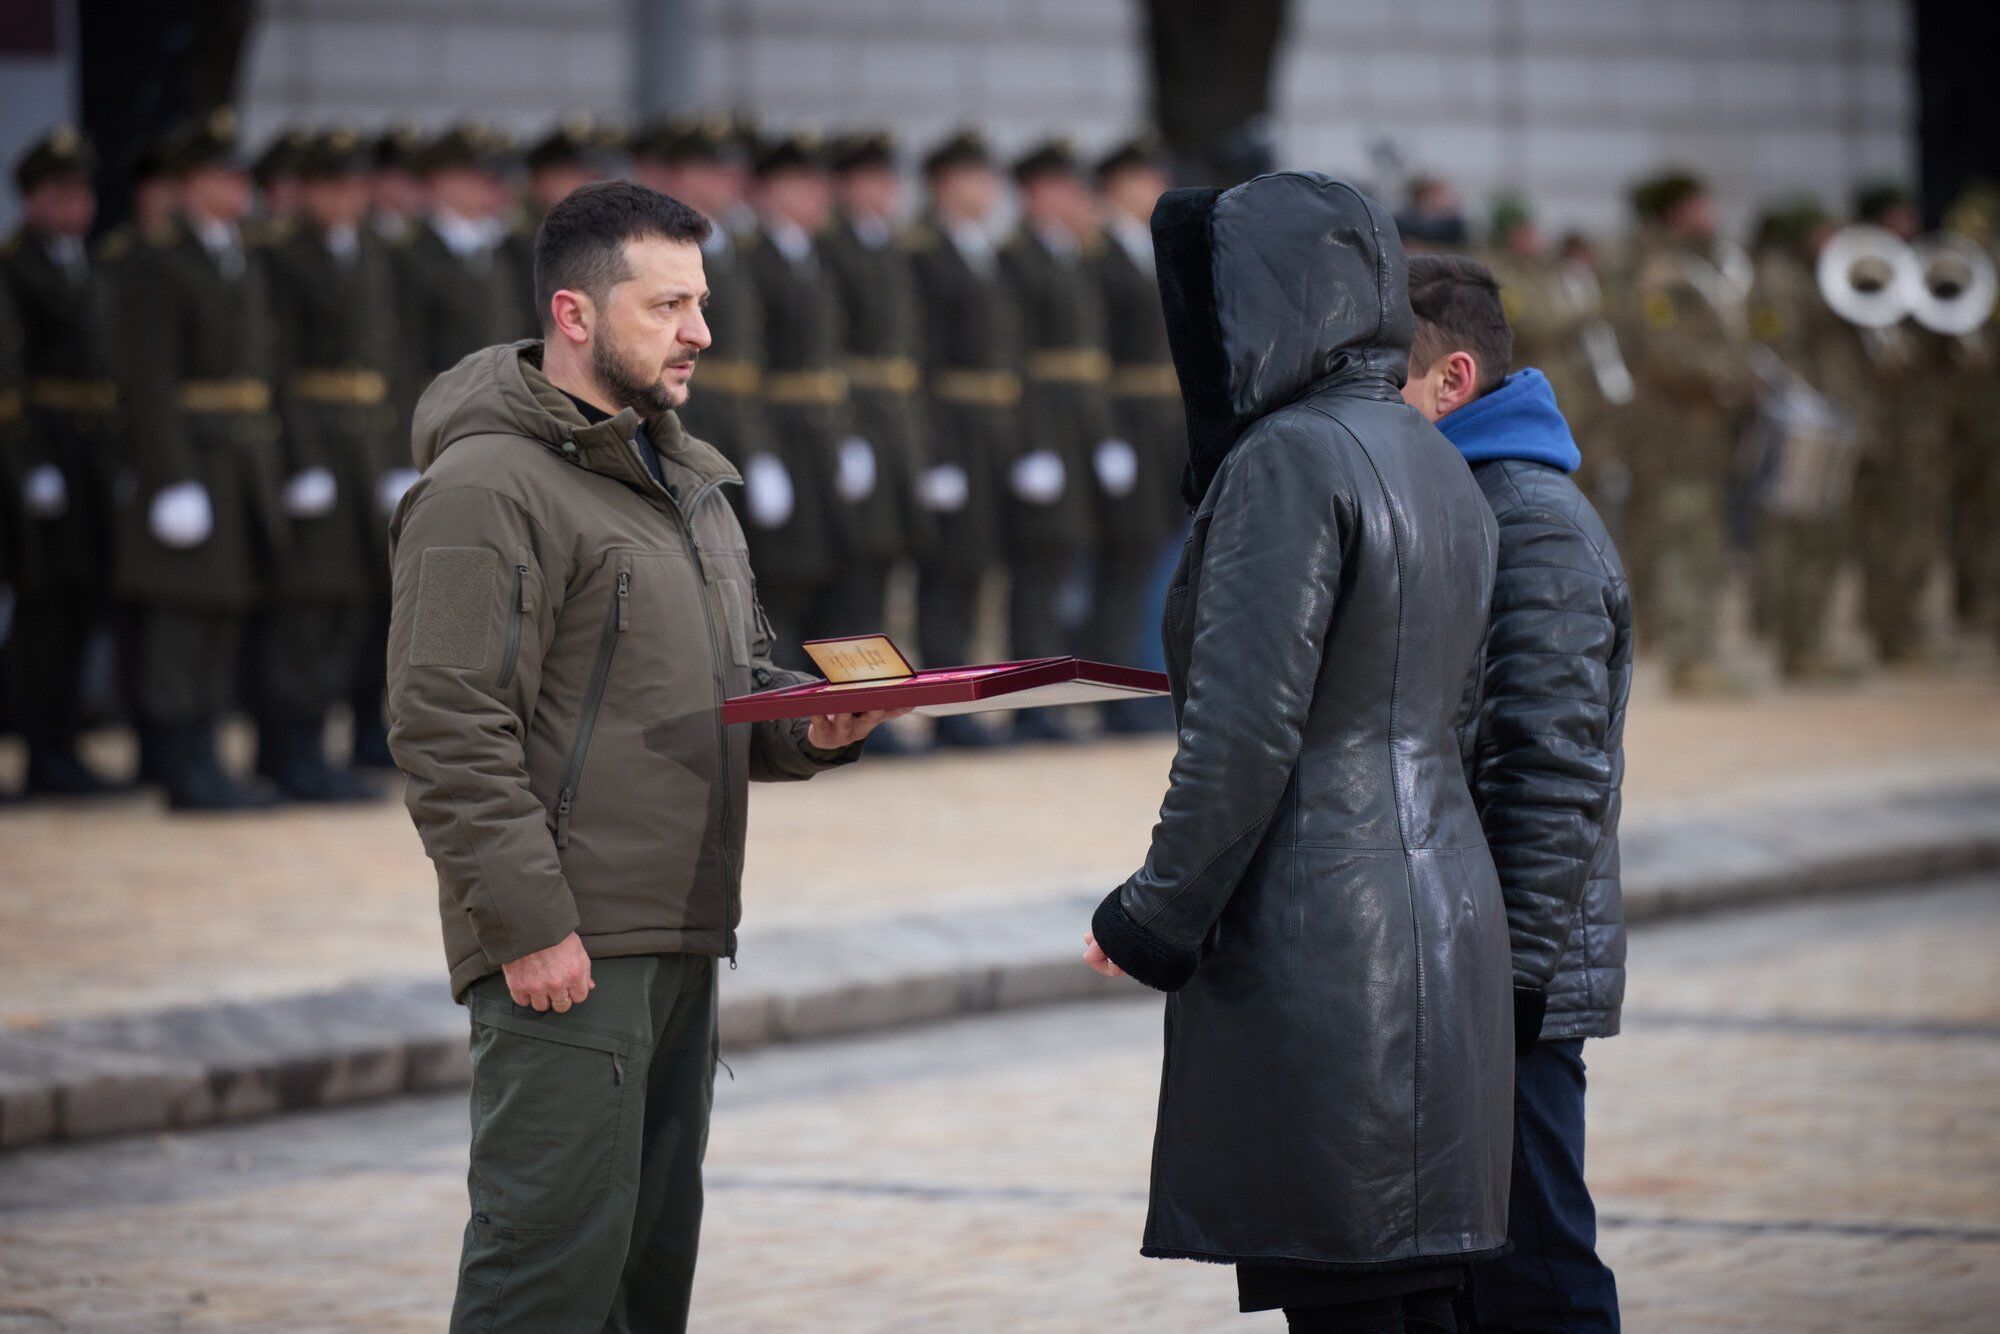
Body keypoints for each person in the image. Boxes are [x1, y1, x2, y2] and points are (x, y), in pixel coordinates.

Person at [388, 181, 902, 1331]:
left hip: (678, 922)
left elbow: (708, 685)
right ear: (574, 313)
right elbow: (444, 718)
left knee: (642, 1275)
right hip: (570, 937)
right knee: (546, 1275)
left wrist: (807, 725)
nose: (700, 332)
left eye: (700, 301)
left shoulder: (681, 478)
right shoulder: (485, 487)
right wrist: (523, 921)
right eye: (668, 304)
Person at [1083, 172, 1508, 1331]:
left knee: (1353, 1301)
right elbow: (1449, 706)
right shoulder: (1432, 453)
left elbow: (1243, 733)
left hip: (1326, 928)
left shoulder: (1285, 458)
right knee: (1411, 1297)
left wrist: (1149, 913)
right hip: (1440, 910)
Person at [1402, 254, 1630, 1332]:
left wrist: (1513, 979)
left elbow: (1550, 767)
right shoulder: (1461, 497)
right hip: (1467, 963)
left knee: (1536, 1274)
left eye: (1378, 380)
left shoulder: (1527, 520)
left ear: (1450, 380)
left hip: (1511, 985)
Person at [111, 108, 285, 810]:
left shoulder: (235, 251)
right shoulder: (160, 260)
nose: (237, 189)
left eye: (241, 176)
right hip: (195, 459)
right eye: (222, 176)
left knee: (223, 615)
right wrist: (171, 478)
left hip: (239, 458)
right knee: (183, 622)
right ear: (187, 184)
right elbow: (147, 380)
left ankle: (209, 757)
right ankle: (183, 764)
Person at [257, 126, 398, 798]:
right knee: (308, 606)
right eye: (332, 184)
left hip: (367, 445)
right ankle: (290, 748)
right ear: (304, 190)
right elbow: (273, 365)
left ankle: (332, 743)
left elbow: (388, 362)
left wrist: (400, 455)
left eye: (355, 184)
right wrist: (297, 458)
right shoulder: (281, 258)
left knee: (356, 602)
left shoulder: (370, 251)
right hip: (312, 440)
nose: (347, 198)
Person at [2, 125, 121, 794]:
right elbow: (10, 377)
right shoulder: (14, 267)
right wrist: (28, 465)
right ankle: (39, 747)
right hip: (40, 450)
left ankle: (64, 745)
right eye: (58, 195)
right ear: (30, 200)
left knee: (80, 607)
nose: (73, 208)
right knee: (42, 615)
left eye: (80, 194)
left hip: (88, 456)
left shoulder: (88, 264)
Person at [1618, 170, 1756, 693]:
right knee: (1683, 542)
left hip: (1705, 436)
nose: (1710, 215)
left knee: (1705, 544)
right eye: (1700, 206)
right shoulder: (1664, 274)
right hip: (1674, 435)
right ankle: (1687, 661)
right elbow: (1661, 352)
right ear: (1676, 213)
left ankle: (1702, 652)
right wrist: (1727, 375)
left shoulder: (1706, 267)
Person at [906, 129, 1014, 747]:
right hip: (950, 427)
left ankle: (963, 696)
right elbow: (919, 360)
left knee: (977, 570)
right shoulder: (924, 253)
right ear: (944, 185)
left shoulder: (983, 249)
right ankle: (941, 702)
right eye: (974, 178)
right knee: (946, 572)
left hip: (988, 430)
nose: (986, 190)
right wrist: (935, 454)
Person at [997, 139, 1101, 741]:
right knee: (1037, 574)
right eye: (1060, 186)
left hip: (1078, 429)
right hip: (1042, 428)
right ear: (1034, 192)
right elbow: (1019, 359)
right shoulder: (1017, 257)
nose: (1073, 198)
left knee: (1065, 566)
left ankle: (1058, 695)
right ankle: (1030, 701)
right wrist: (1033, 442)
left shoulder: (1071, 254)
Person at [738, 129, 853, 650]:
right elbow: (748, 368)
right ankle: (786, 712)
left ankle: (845, 711)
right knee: (785, 582)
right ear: (764, 191)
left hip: (824, 434)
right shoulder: (751, 260)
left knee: (840, 576)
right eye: (798, 183)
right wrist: (760, 453)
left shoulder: (821, 255)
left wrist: (849, 436)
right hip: (782, 435)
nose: (815, 195)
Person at [822, 129, 930, 654]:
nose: (886, 191)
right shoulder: (831, 248)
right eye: (873, 179)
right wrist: (847, 434)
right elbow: (826, 348)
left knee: (891, 557)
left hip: (897, 421)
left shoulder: (892, 247)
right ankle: (852, 694)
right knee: (855, 564)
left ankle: (877, 691)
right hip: (856, 416)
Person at [1089, 132, 1182, 734]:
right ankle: (1119, 688)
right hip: (1124, 421)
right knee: (1122, 562)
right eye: (1142, 179)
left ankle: (1153, 677)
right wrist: (1105, 434)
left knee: (1163, 557)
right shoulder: (1097, 256)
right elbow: (1091, 355)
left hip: (1165, 425)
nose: (1154, 189)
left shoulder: (1154, 250)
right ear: (1115, 186)